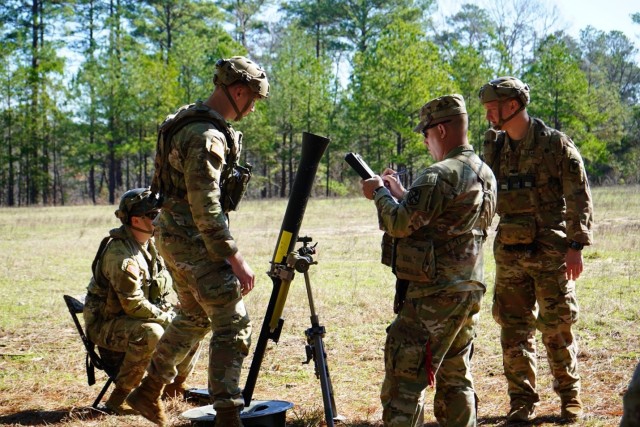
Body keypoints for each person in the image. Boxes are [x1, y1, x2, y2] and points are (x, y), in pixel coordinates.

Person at [126, 56, 269, 427]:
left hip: (172, 237)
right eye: (251, 100)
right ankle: (228, 415)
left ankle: (148, 390)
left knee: (192, 316)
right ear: (237, 91)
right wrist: (234, 257)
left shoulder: (187, 119)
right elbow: (205, 206)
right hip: (195, 241)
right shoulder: (207, 136)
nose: (251, 109)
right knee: (232, 324)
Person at [360, 94, 497, 427]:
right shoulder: (484, 172)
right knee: (455, 377)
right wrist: (403, 195)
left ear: (441, 130)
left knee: (404, 380)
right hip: (469, 289)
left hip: (433, 296)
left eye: (426, 133)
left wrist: (378, 193)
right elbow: (447, 221)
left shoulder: (439, 174)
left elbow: (399, 224)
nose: (424, 140)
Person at [478, 76, 594, 423]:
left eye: (491, 109)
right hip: (510, 251)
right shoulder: (495, 147)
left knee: (557, 327)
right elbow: (485, 195)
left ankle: (570, 398)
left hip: (550, 251)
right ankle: (521, 401)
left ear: (511, 106)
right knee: (513, 330)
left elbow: (579, 196)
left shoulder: (554, 145)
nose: (487, 116)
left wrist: (576, 245)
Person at [83, 187, 201, 415]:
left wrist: (180, 310)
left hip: (136, 318)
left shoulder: (151, 245)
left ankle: (172, 389)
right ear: (136, 220)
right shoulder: (122, 256)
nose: (162, 218)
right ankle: (119, 399)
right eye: (155, 214)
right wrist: (167, 318)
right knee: (152, 333)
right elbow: (133, 304)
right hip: (108, 325)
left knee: (194, 322)